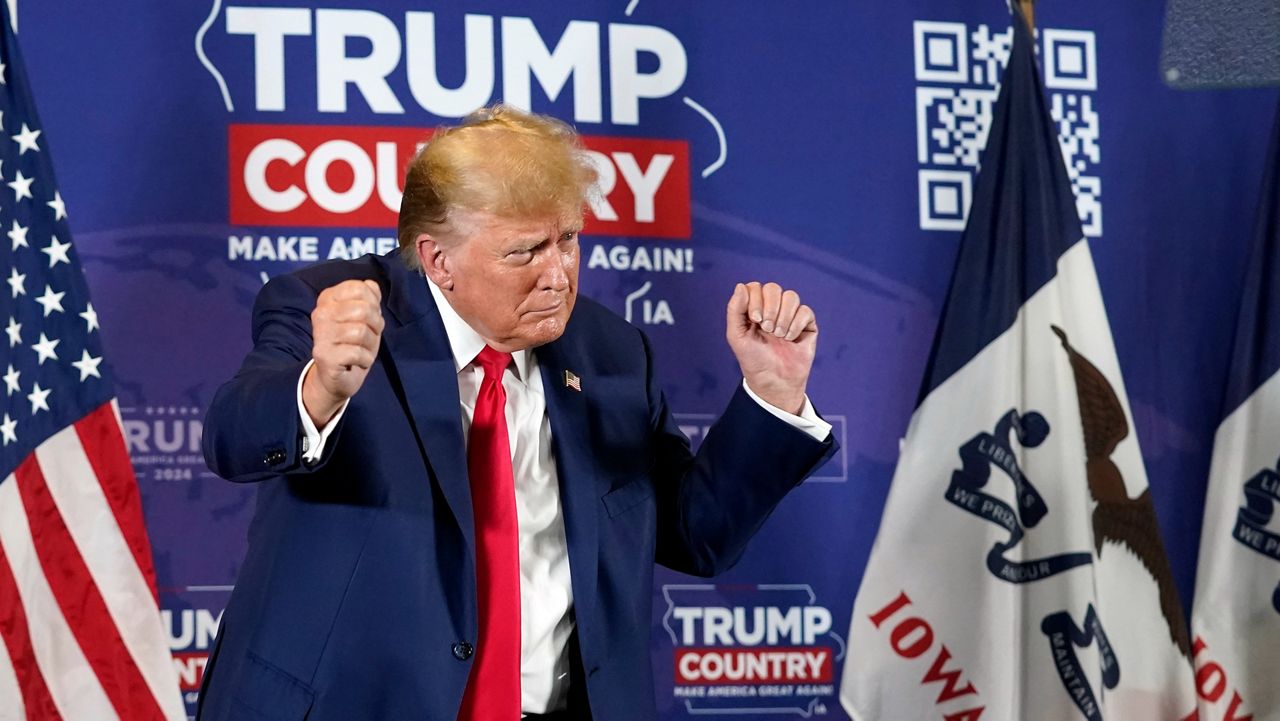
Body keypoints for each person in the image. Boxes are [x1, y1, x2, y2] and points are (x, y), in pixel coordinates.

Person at [197, 105, 836, 721]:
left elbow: (697, 535)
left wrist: (773, 396)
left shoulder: (612, 352)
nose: (558, 275)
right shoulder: (334, 308)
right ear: (437, 259)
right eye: (526, 251)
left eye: (569, 241)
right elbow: (233, 437)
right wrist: (321, 387)